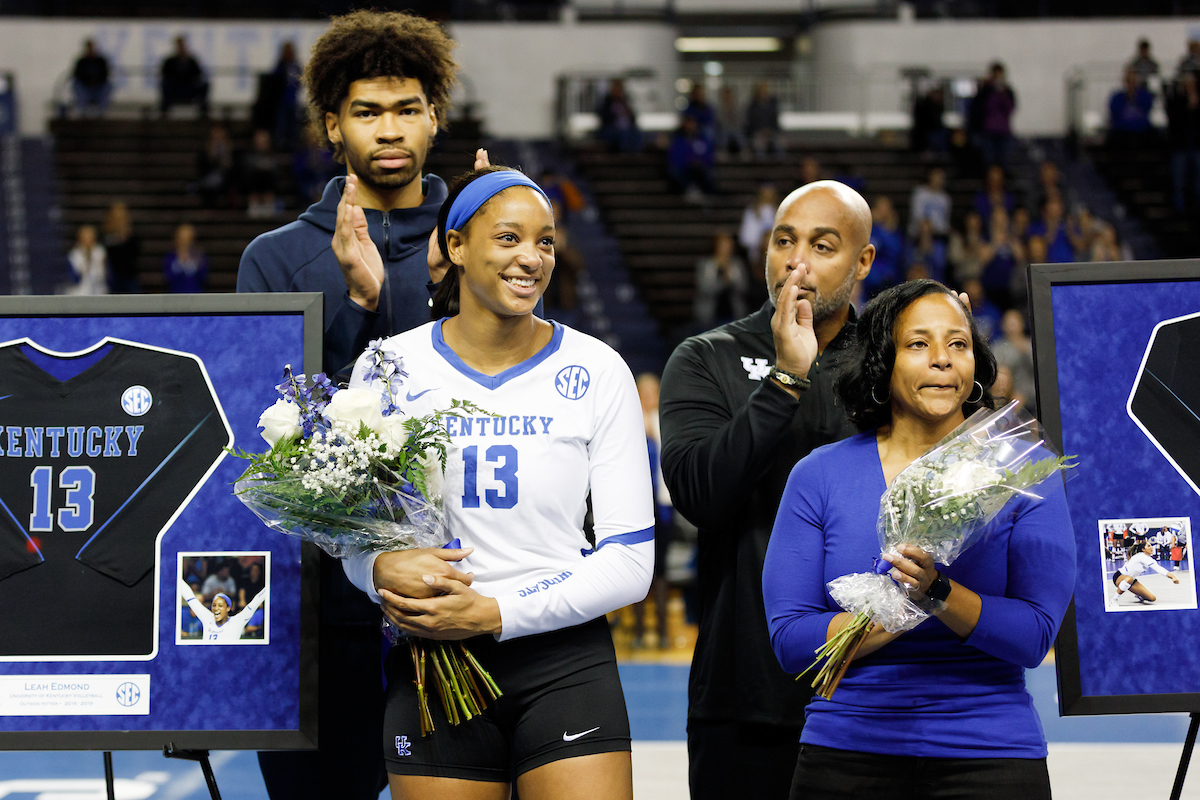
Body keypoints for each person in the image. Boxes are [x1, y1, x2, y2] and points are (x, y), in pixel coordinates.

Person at [341, 166, 653, 800]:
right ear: (456, 246)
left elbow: (630, 561)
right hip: (434, 659)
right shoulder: (388, 366)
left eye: (545, 241)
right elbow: (353, 536)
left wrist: (493, 613)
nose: (531, 258)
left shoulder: (598, 369)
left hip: (565, 661)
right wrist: (375, 568)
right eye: (509, 238)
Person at [234, 12, 482, 799]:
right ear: (333, 125)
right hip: (321, 617)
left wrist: (474, 266)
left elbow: (507, 397)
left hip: (464, 596)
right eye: (367, 111)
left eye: (408, 108)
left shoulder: (484, 245)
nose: (391, 129)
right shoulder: (276, 258)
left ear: (435, 117)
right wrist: (360, 304)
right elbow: (279, 437)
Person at [763, 279, 1075, 800]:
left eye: (958, 343)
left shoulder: (1022, 472)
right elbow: (792, 641)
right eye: (918, 344)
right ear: (882, 363)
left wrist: (937, 592)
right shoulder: (820, 475)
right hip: (846, 752)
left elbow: (1033, 635)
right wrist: (896, 603)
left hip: (989, 751)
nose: (942, 359)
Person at [659, 180, 875, 800]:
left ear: (862, 261)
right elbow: (701, 497)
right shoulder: (706, 357)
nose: (796, 262)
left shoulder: (893, 365)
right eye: (784, 241)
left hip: (879, 693)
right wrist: (786, 379)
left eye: (822, 246)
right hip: (744, 693)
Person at [631, 372, 674, 650]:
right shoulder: (627, 422)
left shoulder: (666, 424)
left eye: (652, 394)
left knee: (662, 570)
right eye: (643, 394)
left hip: (662, 507)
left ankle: (663, 631)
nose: (648, 399)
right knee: (636, 569)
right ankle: (637, 631)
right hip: (635, 507)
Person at [179, 576, 269, 642]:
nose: (216, 608)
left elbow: (256, 601)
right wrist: (176, 575)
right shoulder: (208, 618)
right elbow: (189, 596)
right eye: (214, 605)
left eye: (220, 606)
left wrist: (271, 584)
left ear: (228, 608)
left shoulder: (237, 621)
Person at [693, 231, 749, 329]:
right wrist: (722, 282)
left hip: (733, 311)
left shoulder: (737, 264)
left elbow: (744, 288)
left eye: (728, 245)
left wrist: (730, 279)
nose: (726, 248)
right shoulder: (706, 264)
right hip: (710, 312)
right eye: (723, 245)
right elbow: (703, 288)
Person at [970, 62, 1017, 168]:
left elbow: (1010, 108)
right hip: (988, 132)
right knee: (988, 162)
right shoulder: (985, 91)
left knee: (1004, 162)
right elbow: (980, 108)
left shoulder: (1007, 91)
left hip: (1003, 132)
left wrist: (1002, 93)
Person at [1167, 71, 1200, 213]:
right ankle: (1179, 207)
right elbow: (1175, 121)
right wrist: (1187, 106)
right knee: (1179, 180)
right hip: (1180, 146)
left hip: (1196, 145)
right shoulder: (1176, 100)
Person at [1113, 540, 1179, 604]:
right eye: (1148, 546)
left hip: (1131, 580)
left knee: (1152, 598)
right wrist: (1173, 577)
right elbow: (1159, 569)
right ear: (1143, 549)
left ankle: (1138, 594)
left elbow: (1158, 568)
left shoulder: (1148, 559)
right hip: (1119, 577)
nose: (1151, 547)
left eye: (1151, 546)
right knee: (1129, 579)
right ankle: (1114, 600)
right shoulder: (1141, 556)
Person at [1108, 67, 1157, 151]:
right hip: (1122, 132)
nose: (1131, 84)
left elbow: (1147, 109)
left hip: (1141, 131)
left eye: (1133, 81)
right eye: (1129, 81)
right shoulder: (1117, 97)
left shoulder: (1144, 96)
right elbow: (1114, 115)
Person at [160, 35, 209, 116]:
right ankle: (164, 112)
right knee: (164, 85)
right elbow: (164, 73)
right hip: (174, 88)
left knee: (204, 85)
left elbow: (199, 73)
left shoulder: (191, 61)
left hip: (189, 88)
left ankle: (203, 113)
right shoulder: (170, 61)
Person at [102, 201, 141, 293]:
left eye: (121, 216)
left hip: (128, 277)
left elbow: (133, 255)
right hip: (112, 277)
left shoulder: (132, 237)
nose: (119, 219)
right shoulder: (105, 237)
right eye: (116, 216)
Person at [597, 77, 641, 153]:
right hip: (611, 129)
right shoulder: (606, 102)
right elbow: (603, 116)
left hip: (626, 128)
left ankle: (635, 153)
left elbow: (632, 118)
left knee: (636, 133)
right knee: (623, 134)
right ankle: (625, 154)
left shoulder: (624, 102)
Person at [162, 223, 208, 293]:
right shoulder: (169, 258)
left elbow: (203, 277)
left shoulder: (200, 258)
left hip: (195, 294)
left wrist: (190, 263)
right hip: (175, 295)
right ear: (176, 239)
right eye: (182, 239)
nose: (185, 242)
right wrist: (179, 263)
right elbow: (168, 278)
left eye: (188, 239)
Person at [908, 167, 951, 240]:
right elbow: (917, 216)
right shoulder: (920, 193)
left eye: (941, 177)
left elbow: (945, 222)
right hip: (919, 233)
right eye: (936, 176)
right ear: (930, 176)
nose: (938, 180)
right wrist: (929, 226)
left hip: (939, 234)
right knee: (925, 228)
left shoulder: (945, 198)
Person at [64, 224, 108, 296]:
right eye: (85, 238)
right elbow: (73, 279)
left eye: (90, 238)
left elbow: (106, 276)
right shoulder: (74, 255)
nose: (87, 241)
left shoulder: (100, 252)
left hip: (99, 291)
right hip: (79, 292)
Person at [71, 39, 110, 117]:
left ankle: (102, 111)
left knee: (108, 86)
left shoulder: (101, 61)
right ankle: (82, 111)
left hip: (98, 88)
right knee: (77, 85)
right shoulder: (81, 62)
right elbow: (77, 75)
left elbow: (105, 75)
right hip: (85, 88)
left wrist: (96, 81)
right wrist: (88, 81)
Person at [745, 82, 782, 159]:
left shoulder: (772, 105)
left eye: (765, 90)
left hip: (771, 132)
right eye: (762, 90)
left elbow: (775, 122)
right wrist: (761, 131)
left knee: (780, 143)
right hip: (758, 133)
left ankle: (779, 164)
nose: (764, 92)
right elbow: (751, 124)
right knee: (759, 145)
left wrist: (770, 130)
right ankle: (761, 164)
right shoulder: (752, 106)